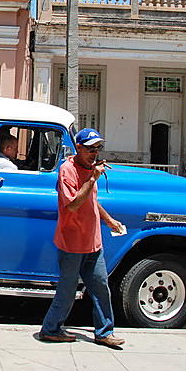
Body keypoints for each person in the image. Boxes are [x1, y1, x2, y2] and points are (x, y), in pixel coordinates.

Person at [40, 128, 126, 349]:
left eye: (97, 149)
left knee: (100, 288)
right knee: (67, 292)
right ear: (78, 148)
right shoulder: (68, 171)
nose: (94, 153)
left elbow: (91, 200)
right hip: (72, 243)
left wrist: (108, 220)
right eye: (90, 149)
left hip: (92, 242)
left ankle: (105, 332)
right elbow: (73, 204)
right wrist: (92, 178)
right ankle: (50, 329)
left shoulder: (90, 169)